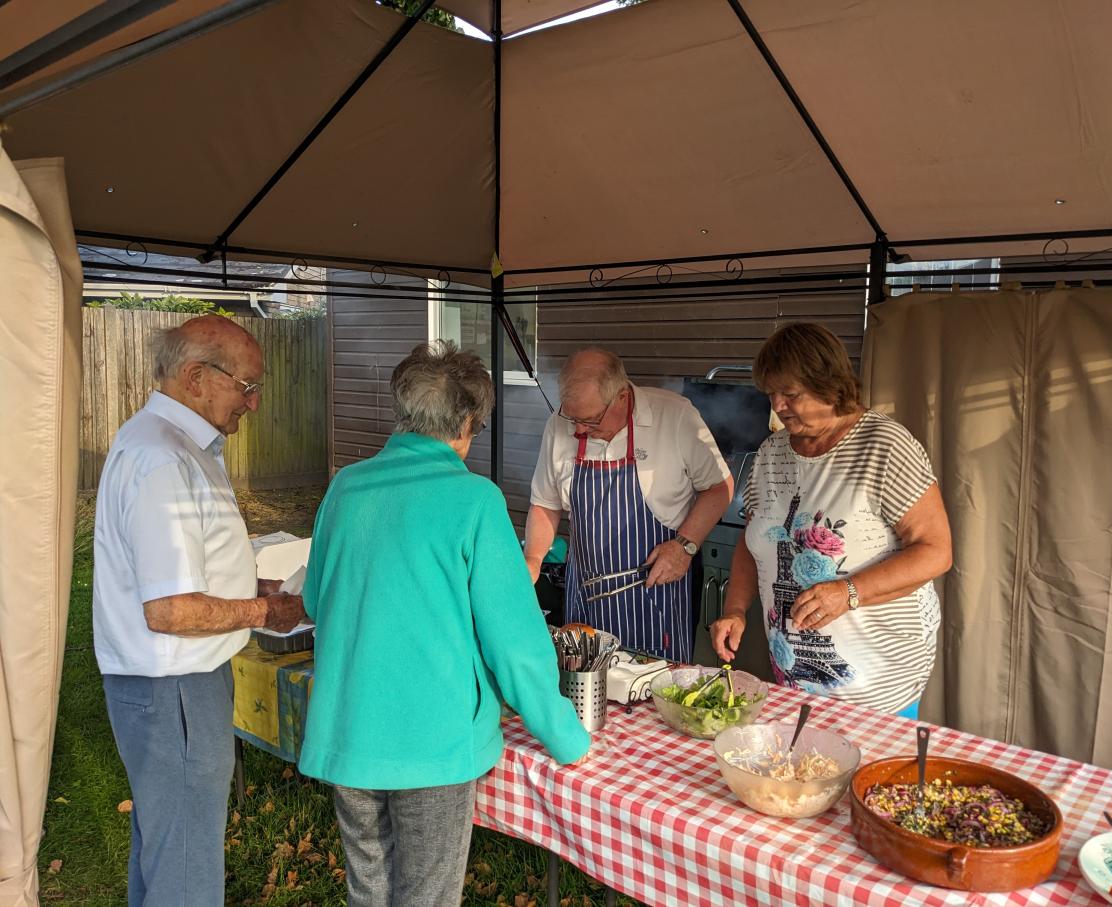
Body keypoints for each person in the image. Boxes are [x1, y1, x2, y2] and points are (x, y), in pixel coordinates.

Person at [300, 341, 589, 907]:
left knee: (370, 892)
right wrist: (565, 736)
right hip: (432, 740)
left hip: (349, 730)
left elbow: (316, 599)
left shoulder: (346, 487)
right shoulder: (473, 498)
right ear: (465, 423)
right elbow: (516, 642)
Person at [92, 315, 305, 907]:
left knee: (166, 847)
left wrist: (245, 580)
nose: (253, 404)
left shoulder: (174, 444)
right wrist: (265, 608)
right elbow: (170, 610)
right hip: (174, 688)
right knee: (186, 863)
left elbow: (176, 573)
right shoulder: (165, 459)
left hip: (169, 687)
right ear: (196, 377)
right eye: (247, 386)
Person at [711, 323, 952, 717]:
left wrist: (849, 591)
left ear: (831, 386)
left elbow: (936, 552)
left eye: (790, 394)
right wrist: (736, 609)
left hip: (878, 681)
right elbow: (751, 542)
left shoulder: (884, 446)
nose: (778, 407)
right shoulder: (771, 453)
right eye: (771, 394)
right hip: (793, 675)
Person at [524, 349, 734, 662]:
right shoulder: (559, 425)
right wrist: (533, 559)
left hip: (656, 596)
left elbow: (719, 487)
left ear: (622, 396)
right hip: (586, 597)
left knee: (655, 695)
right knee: (585, 693)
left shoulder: (674, 416)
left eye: (590, 419)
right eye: (572, 417)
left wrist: (684, 546)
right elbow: (545, 504)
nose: (578, 430)